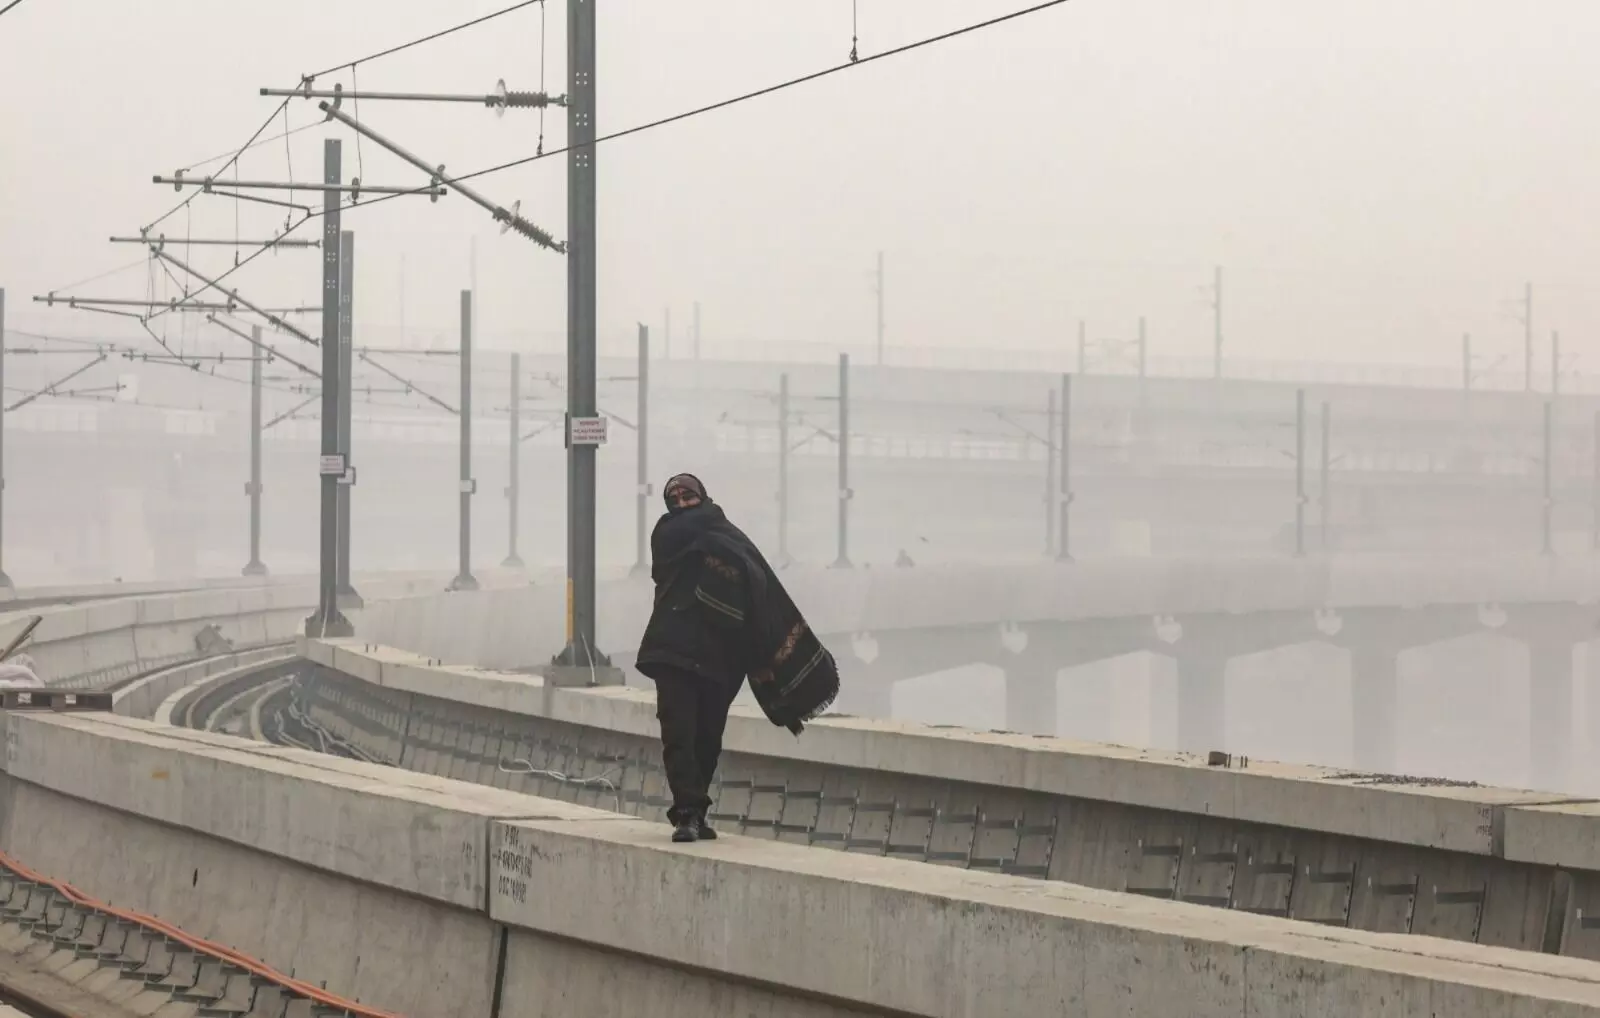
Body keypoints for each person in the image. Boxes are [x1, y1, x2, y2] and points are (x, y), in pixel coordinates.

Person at [635, 473, 840, 843]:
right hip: (674, 651)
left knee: (708, 737)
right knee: (678, 734)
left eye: (688, 495)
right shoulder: (666, 536)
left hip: (720, 657)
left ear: (702, 496)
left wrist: (758, 652)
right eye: (674, 497)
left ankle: (697, 812)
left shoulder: (728, 535)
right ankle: (685, 813)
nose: (681, 502)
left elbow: (757, 588)